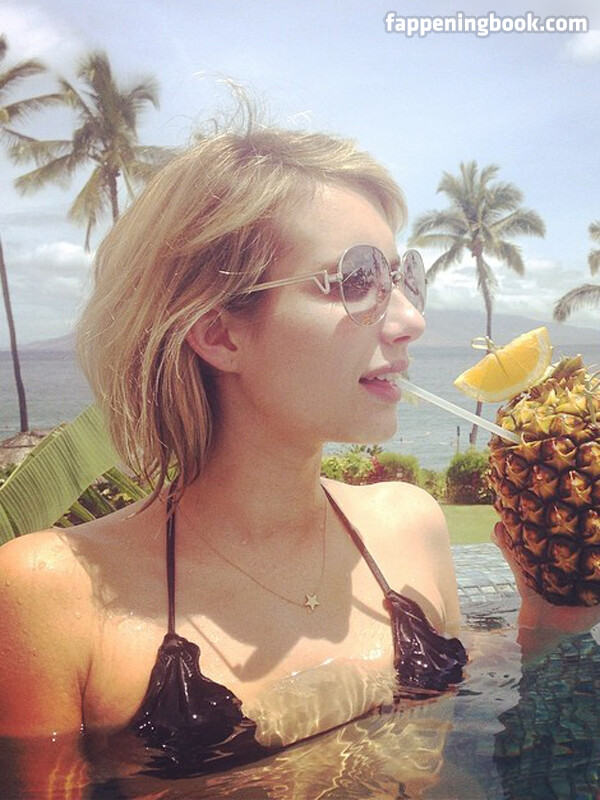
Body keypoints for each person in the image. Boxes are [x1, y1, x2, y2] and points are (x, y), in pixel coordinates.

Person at [2, 118, 594, 795]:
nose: (411, 319)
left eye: (403, 277)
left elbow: (458, 742)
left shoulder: (411, 523)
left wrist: (552, 614)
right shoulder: (50, 594)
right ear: (219, 332)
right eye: (358, 278)